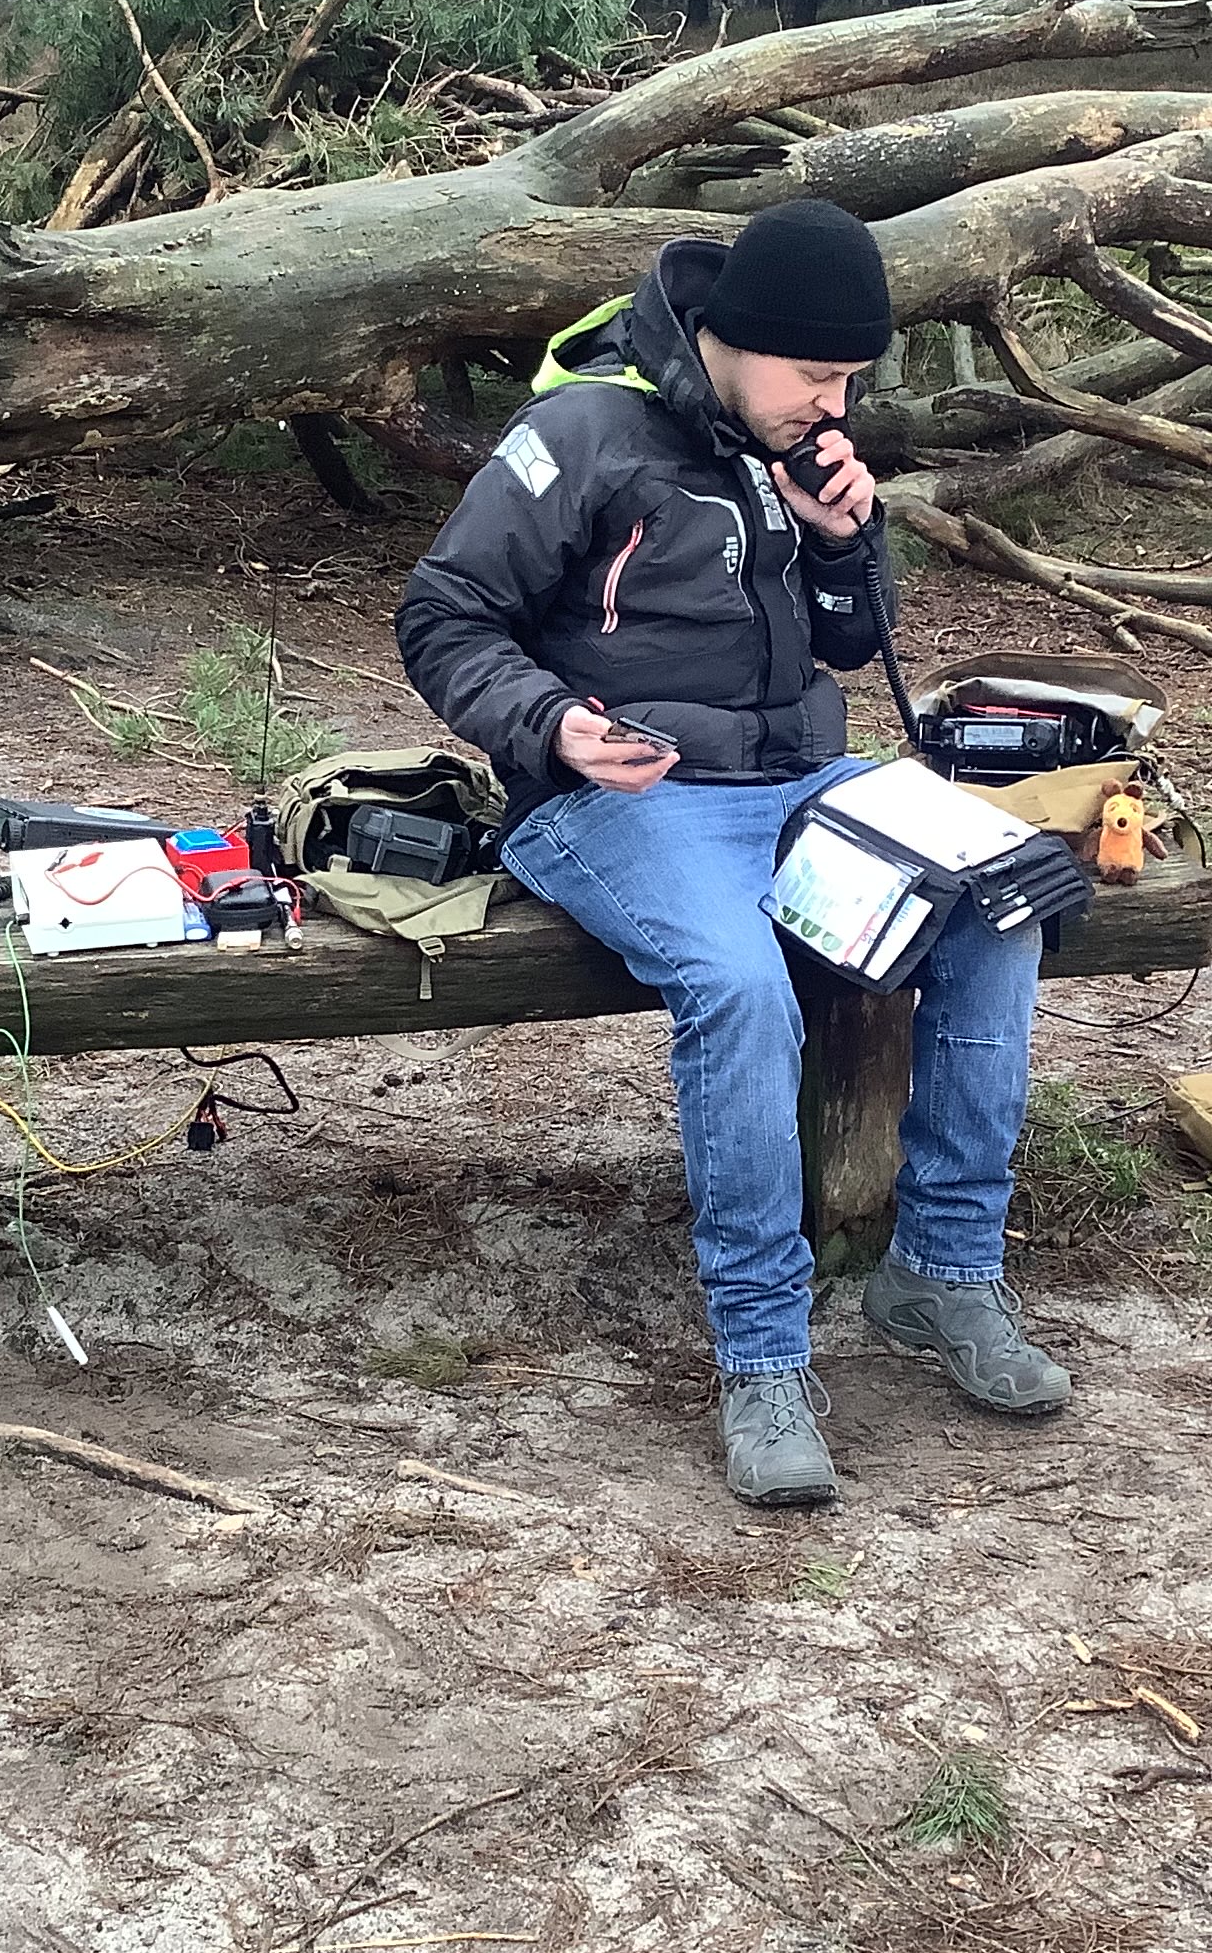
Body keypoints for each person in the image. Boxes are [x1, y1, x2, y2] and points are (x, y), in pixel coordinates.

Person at [394, 199, 1069, 1509]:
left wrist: (847, 542)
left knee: (1000, 906)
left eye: (852, 379)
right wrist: (551, 723)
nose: (834, 403)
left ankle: (943, 1271)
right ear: (733, 338)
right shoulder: (581, 434)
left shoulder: (791, 449)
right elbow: (444, 614)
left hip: (799, 780)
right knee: (742, 987)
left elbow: (848, 644)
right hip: (622, 794)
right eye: (816, 374)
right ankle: (763, 1354)